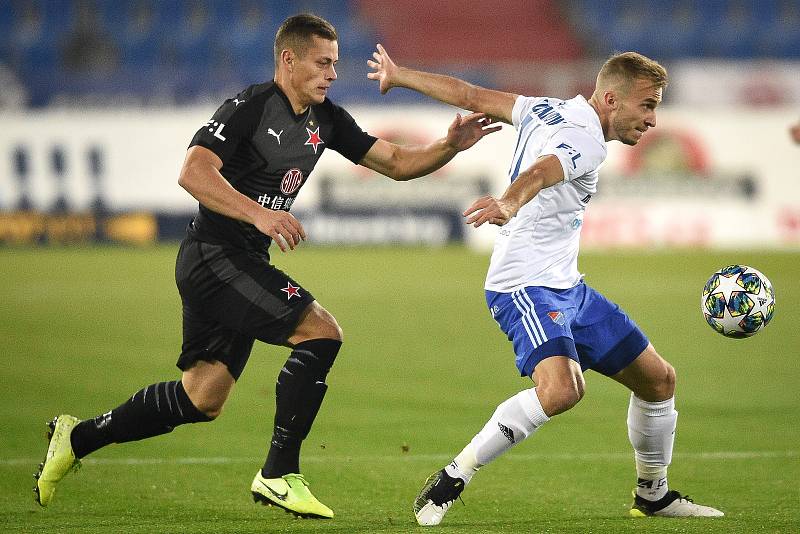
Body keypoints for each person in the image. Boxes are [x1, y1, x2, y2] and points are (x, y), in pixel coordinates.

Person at [34, 14, 498, 519]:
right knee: (321, 332)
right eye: (323, 63)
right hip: (214, 255)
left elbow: (396, 163)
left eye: (335, 64)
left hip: (239, 260)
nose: (332, 74)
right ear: (289, 60)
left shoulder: (327, 119)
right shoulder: (248, 108)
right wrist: (261, 213)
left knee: (201, 399)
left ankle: (76, 438)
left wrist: (449, 144)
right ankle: (279, 474)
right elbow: (193, 171)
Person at [367, 45, 724, 525]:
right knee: (561, 391)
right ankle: (454, 477)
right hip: (524, 284)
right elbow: (541, 172)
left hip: (566, 286)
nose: (654, 120)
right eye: (648, 105)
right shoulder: (588, 141)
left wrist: (399, 75)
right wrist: (509, 204)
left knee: (658, 380)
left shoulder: (544, 107)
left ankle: (653, 495)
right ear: (612, 101)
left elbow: (469, 93)